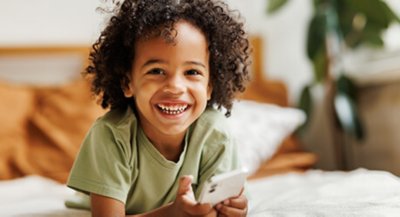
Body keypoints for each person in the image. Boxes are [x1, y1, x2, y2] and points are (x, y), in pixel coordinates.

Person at [67, 0, 250, 216]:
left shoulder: (215, 132)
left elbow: (211, 209)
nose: (175, 87)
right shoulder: (111, 135)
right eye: (156, 71)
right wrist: (173, 212)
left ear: (210, 86)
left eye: (192, 72)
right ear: (128, 83)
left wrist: (231, 209)